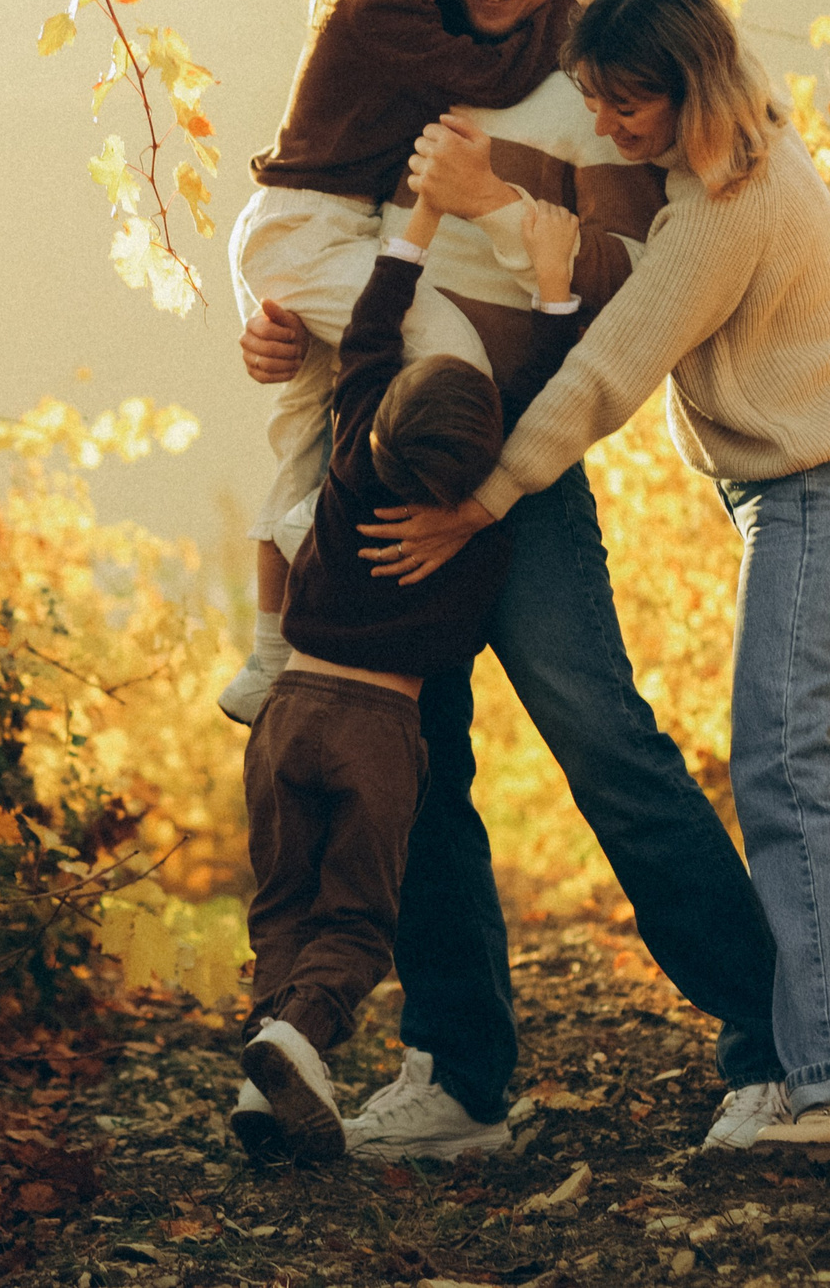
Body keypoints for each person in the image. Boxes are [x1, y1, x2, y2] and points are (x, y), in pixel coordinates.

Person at [237, 0, 790, 1161]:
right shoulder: (409, 28)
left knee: (600, 731)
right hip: (385, 443)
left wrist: (503, 193)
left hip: (520, 469)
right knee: (407, 755)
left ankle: (777, 1040)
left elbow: (614, 271)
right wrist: (264, 326)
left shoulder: (594, 65)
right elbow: (309, 213)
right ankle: (460, 1076)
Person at [374, 0, 830, 1163]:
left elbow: (605, 370)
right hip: (825, 498)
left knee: (791, 769)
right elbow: (655, 12)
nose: (611, 127)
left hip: (816, 498)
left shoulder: (728, 205)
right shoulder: (743, 141)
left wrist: (482, 500)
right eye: (596, 98)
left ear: (690, 84)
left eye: (628, 105)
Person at [234, 189, 584, 1161]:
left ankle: (270, 1061)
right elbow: (539, 402)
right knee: (355, 920)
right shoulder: (471, 532)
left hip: (286, 717)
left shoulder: (351, 453)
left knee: (283, 904)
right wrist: (553, 291)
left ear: (382, 410)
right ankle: (300, 1037)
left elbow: (376, 325)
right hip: (377, 740)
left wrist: (419, 225)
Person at [219, 0, 578, 729]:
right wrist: (569, 10)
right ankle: (322, 537)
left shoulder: (405, 4)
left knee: (304, 434)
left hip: (297, 229)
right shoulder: (379, 13)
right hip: (306, 230)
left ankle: (268, 655)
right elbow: (489, 70)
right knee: (442, 349)